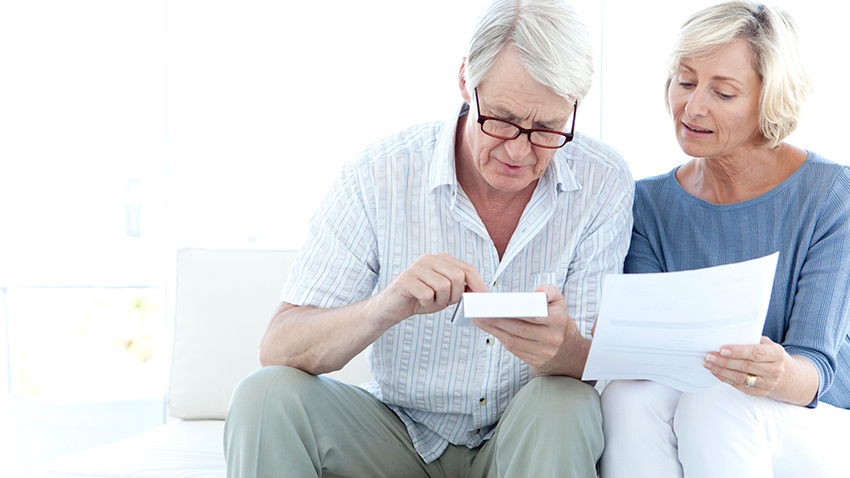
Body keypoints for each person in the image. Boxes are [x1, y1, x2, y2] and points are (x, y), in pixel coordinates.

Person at [223, 0, 634, 477]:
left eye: (546, 129)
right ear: (466, 81)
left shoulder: (603, 181)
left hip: (523, 439)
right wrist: (386, 305)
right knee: (265, 395)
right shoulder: (378, 175)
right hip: (396, 435)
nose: (520, 151)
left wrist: (563, 350)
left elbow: (597, 365)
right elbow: (279, 347)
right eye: (501, 118)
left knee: (566, 402)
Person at [599, 2, 850, 477]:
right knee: (628, 399)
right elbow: (647, 358)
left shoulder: (832, 195)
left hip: (820, 419)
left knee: (718, 401)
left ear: (768, 100)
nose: (692, 108)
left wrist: (774, 371)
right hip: (707, 407)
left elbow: (815, 371)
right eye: (686, 81)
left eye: (724, 93)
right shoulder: (648, 204)